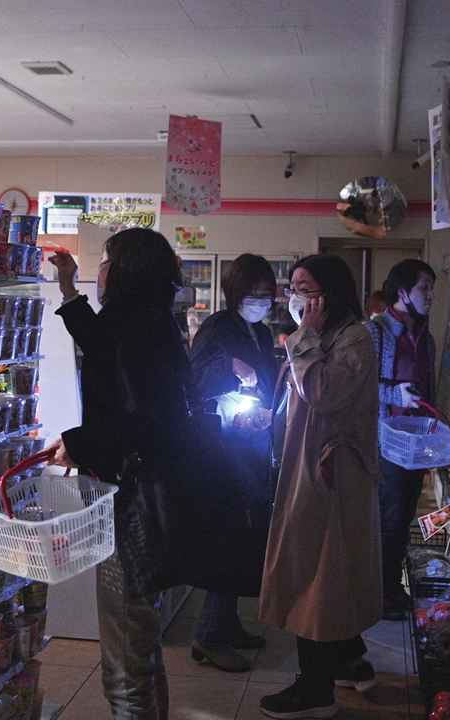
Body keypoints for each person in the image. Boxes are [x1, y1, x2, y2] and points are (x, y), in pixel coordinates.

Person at [46, 228, 189, 720]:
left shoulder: (139, 325)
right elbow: (100, 343)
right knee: (138, 643)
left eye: (104, 260)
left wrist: (79, 442)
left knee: (126, 655)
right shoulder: (142, 319)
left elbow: (147, 419)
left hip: (130, 501)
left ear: (125, 269)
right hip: (139, 495)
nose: (99, 269)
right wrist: (67, 289)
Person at [258, 254, 383, 719]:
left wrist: (302, 339)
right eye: (292, 287)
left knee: (316, 577)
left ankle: (315, 690)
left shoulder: (355, 337)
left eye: (306, 287)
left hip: (329, 477)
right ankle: (350, 662)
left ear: (329, 291)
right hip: (308, 470)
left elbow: (324, 392)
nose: (296, 297)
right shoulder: (332, 335)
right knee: (321, 574)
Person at [186, 254, 277, 672]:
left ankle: (228, 622)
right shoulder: (218, 327)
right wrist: (228, 367)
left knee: (246, 536)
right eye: (252, 295)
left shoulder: (258, 330)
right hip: (224, 449)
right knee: (229, 537)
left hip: (251, 443)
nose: (260, 302)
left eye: (266, 295)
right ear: (235, 293)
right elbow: (195, 377)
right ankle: (210, 634)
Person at [364, 259, 437, 621]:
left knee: (404, 516)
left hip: (417, 443)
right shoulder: (374, 332)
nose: (431, 295)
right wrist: (396, 396)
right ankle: (378, 595)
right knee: (389, 520)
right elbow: (358, 384)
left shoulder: (426, 335)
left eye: (432, 287)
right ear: (403, 292)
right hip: (387, 442)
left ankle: (391, 589)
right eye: (425, 287)